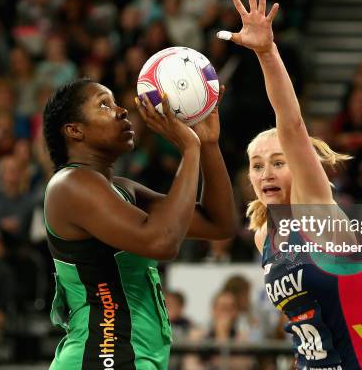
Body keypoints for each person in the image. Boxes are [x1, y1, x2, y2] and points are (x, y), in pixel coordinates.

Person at [219, 0, 362, 369]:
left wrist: (267, 53)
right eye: (256, 165)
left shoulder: (318, 214)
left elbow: (291, 124)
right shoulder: (262, 236)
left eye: (278, 161)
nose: (265, 172)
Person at [42, 79, 237, 369]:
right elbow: (162, 242)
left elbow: (218, 224)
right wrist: (189, 149)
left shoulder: (121, 189)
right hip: (102, 355)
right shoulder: (70, 184)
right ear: (74, 130)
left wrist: (207, 144)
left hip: (130, 354)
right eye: (104, 104)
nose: (122, 111)